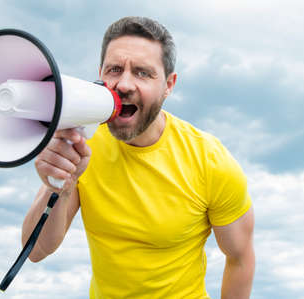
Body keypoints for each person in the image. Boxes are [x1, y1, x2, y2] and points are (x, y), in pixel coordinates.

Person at [22, 16, 255, 298]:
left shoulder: (210, 161)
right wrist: (60, 184)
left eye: (143, 73)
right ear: (100, 74)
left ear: (169, 84)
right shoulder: (81, 143)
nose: (124, 84)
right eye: (115, 69)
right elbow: (35, 251)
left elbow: (240, 258)